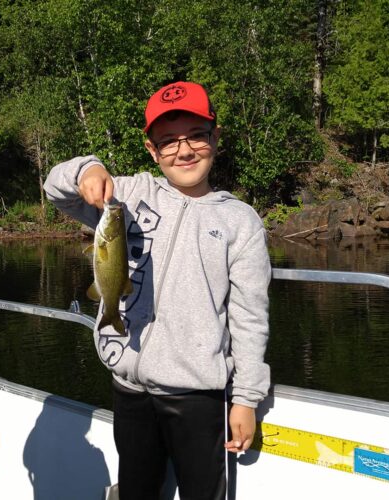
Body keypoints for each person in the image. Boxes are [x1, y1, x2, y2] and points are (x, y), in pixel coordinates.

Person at [44, 81, 271, 500]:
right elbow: (54, 188)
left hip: (198, 394)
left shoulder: (242, 221)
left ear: (215, 137)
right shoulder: (128, 196)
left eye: (196, 136)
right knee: (136, 490)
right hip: (129, 386)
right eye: (168, 142)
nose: (183, 151)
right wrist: (88, 170)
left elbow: (250, 316)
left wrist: (246, 399)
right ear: (152, 150)